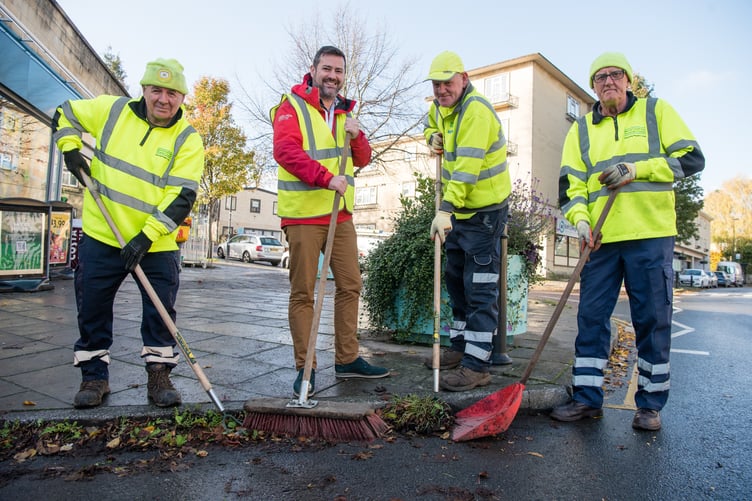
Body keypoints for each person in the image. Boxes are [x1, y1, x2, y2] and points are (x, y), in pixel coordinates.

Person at [552, 52, 705, 430]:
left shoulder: (656, 112)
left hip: (650, 236)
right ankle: (587, 398)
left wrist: (638, 169)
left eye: (615, 75)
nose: (608, 81)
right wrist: (582, 223)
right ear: (593, 87)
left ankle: (650, 405)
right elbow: (570, 189)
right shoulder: (582, 130)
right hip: (601, 241)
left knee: (652, 320)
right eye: (599, 77)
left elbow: (692, 159)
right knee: (590, 318)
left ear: (628, 79)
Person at [53, 58, 205, 409]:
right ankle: (94, 378)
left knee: (160, 312)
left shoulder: (187, 139)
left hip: (156, 245)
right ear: (144, 90)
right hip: (102, 235)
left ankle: (159, 376)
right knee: (91, 308)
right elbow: (64, 114)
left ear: (181, 97)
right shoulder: (111, 110)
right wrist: (70, 150)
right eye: (157, 90)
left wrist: (145, 237)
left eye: (171, 93)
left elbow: (182, 197)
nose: (163, 99)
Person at [271, 45, 389, 397]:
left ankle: (348, 358)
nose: (332, 76)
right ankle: (304, 367)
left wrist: (359, 134)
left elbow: (363, 159)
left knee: (351, 284)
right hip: (304, 216)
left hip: (341, 215)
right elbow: (286, 152)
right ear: (313, 69)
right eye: (327, 69)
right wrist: (326, 178)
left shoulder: (344, 113)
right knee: (304, 292)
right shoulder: (290, 107)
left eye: (338, 71)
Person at [422, 51, 511, 391]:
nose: (441, 89)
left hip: (484, 213)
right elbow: (431, 124)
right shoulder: (440, 108)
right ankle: (460, 350)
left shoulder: (476, 111)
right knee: (456, 281)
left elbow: (467, 171)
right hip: (460, 212)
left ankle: (477, 365)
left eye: (447, 82)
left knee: (480, 289)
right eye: (436, 84)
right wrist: (432, 137)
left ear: (464, 78)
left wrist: (445, 209)